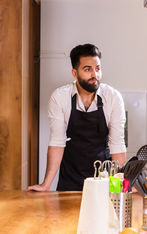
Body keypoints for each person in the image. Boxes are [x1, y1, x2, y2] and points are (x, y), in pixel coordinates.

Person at [28, 44, 126, 191]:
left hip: (104, 179)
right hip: (70, 178)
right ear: (74, 73)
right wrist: (45, 185)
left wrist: (119, 186)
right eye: (88, 69)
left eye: (97, 69)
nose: (94, 75)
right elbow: (57, 143)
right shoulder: (60, 97)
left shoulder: (113, 97)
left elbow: (117, 145)